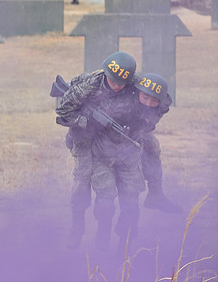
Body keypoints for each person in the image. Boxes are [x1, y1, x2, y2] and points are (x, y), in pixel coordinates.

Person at [55, 51, 137, 250]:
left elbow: (155, 95)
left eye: (121, 83)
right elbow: (62, 113)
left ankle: (103, 240)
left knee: (106, 195)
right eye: (113, 80)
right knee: (81, 184)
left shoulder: (133, 83)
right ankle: (77, 230)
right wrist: (86, 120)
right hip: (83, 140)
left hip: (107, 145)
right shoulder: (88, 85)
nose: (116, 86)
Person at [132, 73, 182, 214]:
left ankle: (155, 194)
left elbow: (151, 120)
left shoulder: (164, 102)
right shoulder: (128, 92)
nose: (148, 103)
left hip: (136, 129)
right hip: (111, 129)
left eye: (154, 100)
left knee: (152, 144)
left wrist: (144, 123)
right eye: (145, 97)